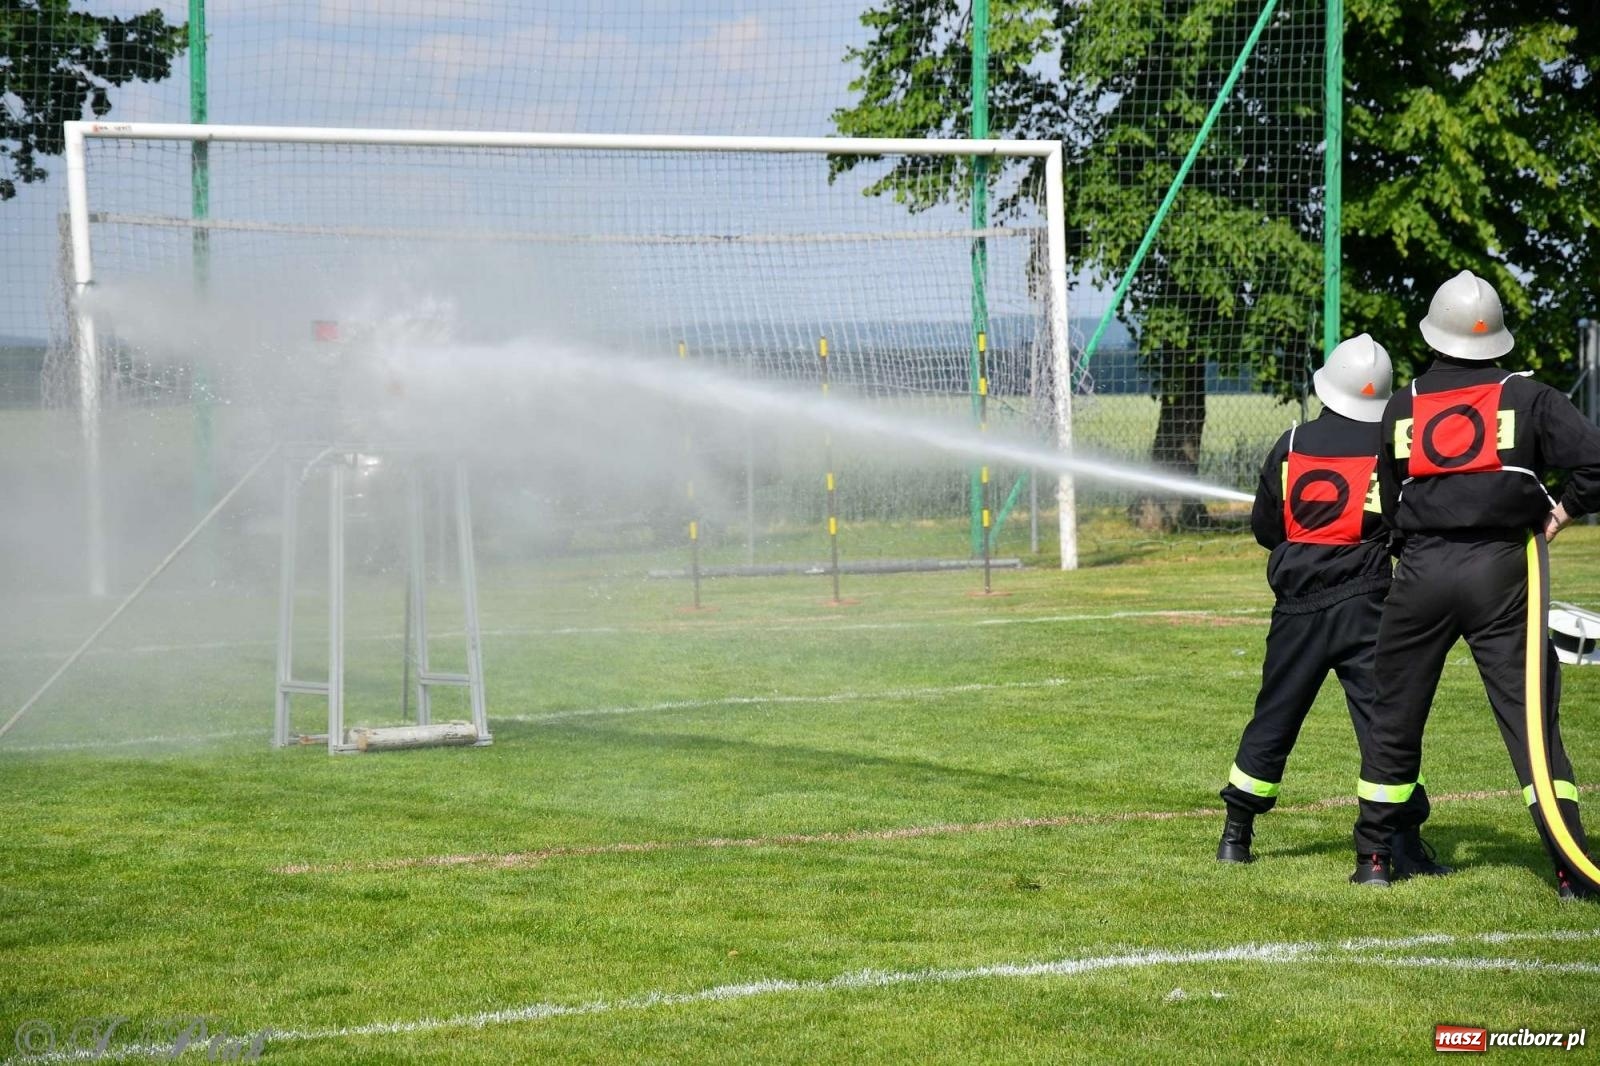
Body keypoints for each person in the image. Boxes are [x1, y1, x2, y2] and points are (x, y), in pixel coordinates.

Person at [1352, 269, 1600, 899]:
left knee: (1394, 716)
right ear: (1496, 341)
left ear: (1435, 335)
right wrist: (1560, 514)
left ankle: (1375, 859)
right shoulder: (1531, 396)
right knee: (1532, 725)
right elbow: (1596, 463)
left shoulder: (1401, 404)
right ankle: (1571, 867)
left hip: (1422, 574)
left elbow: (1383, 498)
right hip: (1503, 572)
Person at [1217, 334, 1404, 865]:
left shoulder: (1292, 443)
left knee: (1274, 716)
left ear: (1328, 387)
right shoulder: (1388, 449)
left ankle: (1236, 836)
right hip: (1367, 605)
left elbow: (1265, 528)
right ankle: (1394, 847)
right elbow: (1401, 524)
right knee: (1384, 723)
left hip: (1296, 608)